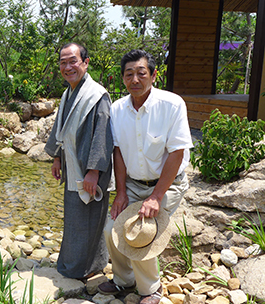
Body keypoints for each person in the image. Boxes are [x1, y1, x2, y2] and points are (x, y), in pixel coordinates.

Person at [98, 49, 193, 304]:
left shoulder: (172, 104)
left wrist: (156, 196)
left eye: (141, 73)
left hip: (167, 185)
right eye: (129, 74)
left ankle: (151, 289)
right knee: (111, 230)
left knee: (145, 230)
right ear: (123, 78)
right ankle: (123, 280)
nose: (135, 79)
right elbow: (118, 152)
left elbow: (177, 152)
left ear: (153, 75)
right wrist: (120, 192)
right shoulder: (118, 109)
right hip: (132, 184)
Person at [45, 43, 113, 280]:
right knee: (76, 217)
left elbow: (103, 134)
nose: (67, 66)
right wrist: (56, 157)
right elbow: (60, 128)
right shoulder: (68, 93)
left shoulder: (97, 95)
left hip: (89, 169)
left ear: (85, 62)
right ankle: (82, 263)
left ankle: (82, 268)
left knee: (89, 218)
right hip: (73, 164)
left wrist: (93, 171)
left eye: (72, 61)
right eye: (63, 62)